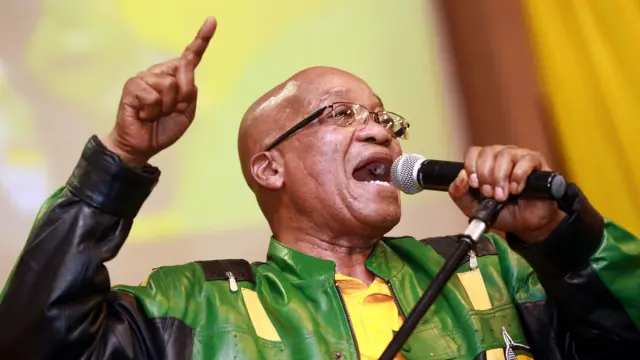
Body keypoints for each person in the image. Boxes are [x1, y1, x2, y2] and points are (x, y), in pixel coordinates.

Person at [0, 17, 638, 360]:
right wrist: (121, 156)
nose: (380, 134)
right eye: (340, 114)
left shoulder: (497, 274)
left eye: (385, 118)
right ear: (268, 168)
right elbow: (37, 342)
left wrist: (558, 238)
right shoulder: (190, 309)